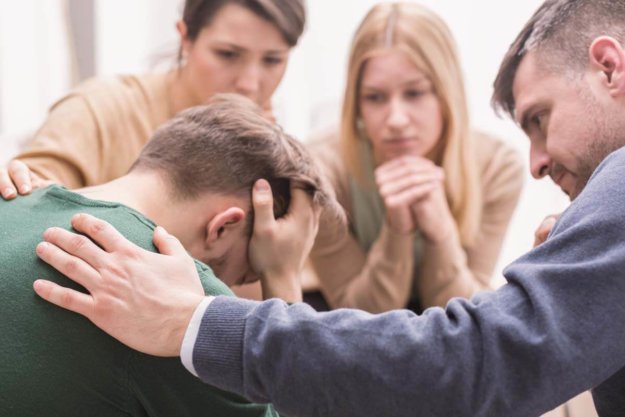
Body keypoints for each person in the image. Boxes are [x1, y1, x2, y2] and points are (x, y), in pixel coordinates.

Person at [28, 0, 625, 416]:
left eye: (539, 120)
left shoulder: (504, 168)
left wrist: (196, 318)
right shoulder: (316, 169)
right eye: (374, 97)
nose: (537, 163)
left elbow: (483, 357)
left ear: (609, 67)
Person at [0, 95, 338, 416]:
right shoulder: (172, 298)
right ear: (222, 228)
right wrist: (282, 277)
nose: (231, 287)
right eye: (246, 275)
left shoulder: (11, 197)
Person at [306, 2, 523, 312]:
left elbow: (467, 321)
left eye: (415, 93)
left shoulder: (497, 167)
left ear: (447, 93)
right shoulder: (320, 170)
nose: (396, 119)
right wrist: (397, 231)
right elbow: (358, 316)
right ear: (355, 104)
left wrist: (441, 234)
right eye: (375, 97)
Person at [0, 0, 305, 197]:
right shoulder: (100, 109)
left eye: (272, 60)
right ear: (185, 37)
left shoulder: (275, 151)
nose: (249, 83)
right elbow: (27, 202)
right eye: (227, 54)